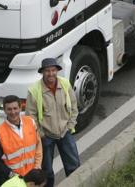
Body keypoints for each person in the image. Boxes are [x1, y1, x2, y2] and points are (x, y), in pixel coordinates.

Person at [25, 58, 79, 187]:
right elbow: (31, 117)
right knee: (47, 171)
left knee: (74, 166)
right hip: (46, 137)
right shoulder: (34, 90)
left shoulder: (65, 84)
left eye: (53, 70)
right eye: (47, 71)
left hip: (65, 132)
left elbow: (74, 106)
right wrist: (41, 134)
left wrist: (70, 125)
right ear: (42, 72)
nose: (51, 74)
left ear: (57, 71)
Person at [0, 95, 43, 186]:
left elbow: (38, 145)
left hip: (32, 176)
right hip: (15, 180)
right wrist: (11, 175)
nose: (13, 112)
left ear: (20, 108)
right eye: (9, 109)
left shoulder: (30, 122)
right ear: (4, 110)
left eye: (15, 108)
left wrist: (37, 166)